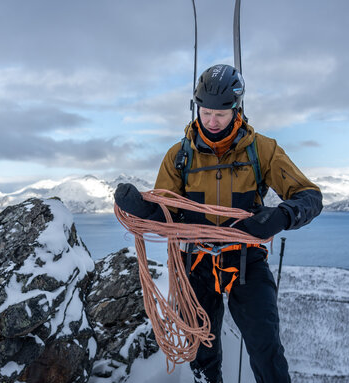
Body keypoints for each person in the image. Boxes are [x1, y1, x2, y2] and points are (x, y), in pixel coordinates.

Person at [115, 64, 323, 383]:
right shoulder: (179, 157)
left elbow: (309, 196)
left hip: (246, 259)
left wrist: (280, 216)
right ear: (196, 106)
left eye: (220, 114)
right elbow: (166, 216)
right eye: (205, 112)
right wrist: (141, 208)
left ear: (236, 109)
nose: (211, 121)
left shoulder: (261, 150)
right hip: (196, 262)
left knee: (266, 349)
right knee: (203, 353)